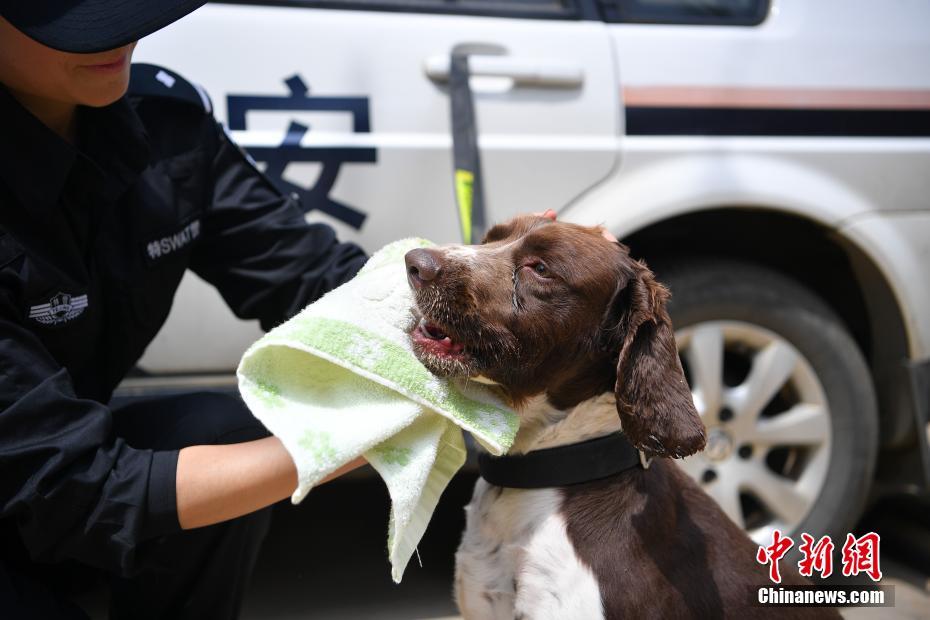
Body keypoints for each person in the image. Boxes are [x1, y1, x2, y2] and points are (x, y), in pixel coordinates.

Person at [0, 2, 369, 618]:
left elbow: (315, 277)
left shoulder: (163, 126)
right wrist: (329, 446)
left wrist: (476, 289)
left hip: (56, 471)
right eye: (66, 16)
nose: (116, 36)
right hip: (38, 483)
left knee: (218, 431)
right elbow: (67, 489)